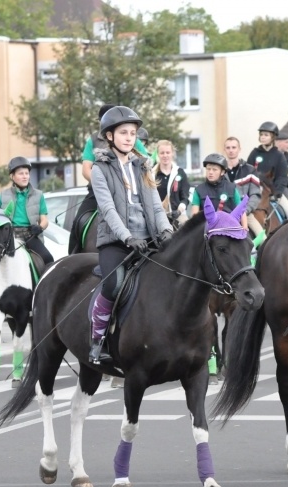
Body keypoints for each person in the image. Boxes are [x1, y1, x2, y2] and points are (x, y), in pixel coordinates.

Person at [88, 106, 173, 365]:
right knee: (114, 285)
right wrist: (127, 238)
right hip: (116, 242)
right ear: (110, 136)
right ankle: (98, 339)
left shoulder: (144, 166)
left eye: (133, 133)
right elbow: (108, 210)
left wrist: (167, 230)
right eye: (123, 132)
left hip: (147, 238)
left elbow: (156, 206)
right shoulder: (99, 169)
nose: (129, 137)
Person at [0, 157, 54, 325]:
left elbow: (45, 220)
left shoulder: (39, 195)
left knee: (48, 259)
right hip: (7, 237)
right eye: (21, 173)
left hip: (29, 235)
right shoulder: (3, 196)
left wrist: (40, 227)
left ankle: (43, 302)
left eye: (27, 173)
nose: (25, 176)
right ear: (12, 176)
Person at [69, 103, 149, 254]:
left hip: (130, 189)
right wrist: (103, 185)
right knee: (79, 220)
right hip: (98, 190)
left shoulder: (133, 139)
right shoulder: (92, 140)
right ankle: (74, 253)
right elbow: (86, 169)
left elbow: (145, 163)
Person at [247, 121, 288, 220]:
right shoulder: (253, 153)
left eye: (266, 135)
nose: (263, 137)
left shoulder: (279, 155)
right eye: (261, 134)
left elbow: (282, 176)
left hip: (275, 192)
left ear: (273, 137)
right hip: (256, 192)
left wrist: (277, 193)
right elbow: (248, 174)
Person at [224, 136, 265, 238]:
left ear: (239, 149)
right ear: (224, 150)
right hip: (224, 215)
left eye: (234, 147)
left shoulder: (250, 170)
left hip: (245, 214)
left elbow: (255, 195)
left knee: (263, 239)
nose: (231, 150)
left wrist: (244, 211)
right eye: (228, 148)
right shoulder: (219, 171)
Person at [190, 153, 247, 224]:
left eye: (214, 170)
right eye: (208, 169)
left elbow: (241, 210)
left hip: (228, 226)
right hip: (206, 228)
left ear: (222, 172)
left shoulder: (232, 188)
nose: (210, 172)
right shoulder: (199, 190)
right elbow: (195, 216)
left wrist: (245, 227)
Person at [153, 140, 190, 224]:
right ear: (158, 154)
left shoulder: (180, 173)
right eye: (162, 153)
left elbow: (185, 198)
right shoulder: (152, 174)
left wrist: (179, 211)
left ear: (172, 153)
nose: (165, 155)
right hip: (157, 216)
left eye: (168, 152)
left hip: (178, 215)